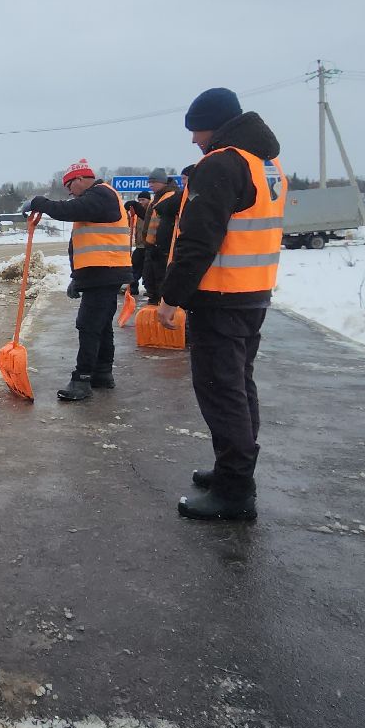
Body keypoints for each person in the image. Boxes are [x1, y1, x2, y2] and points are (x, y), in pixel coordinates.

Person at [154, 89, 284, 522]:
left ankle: (234, 491)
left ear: (216, 125)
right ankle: (232, 471)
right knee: (238, 386)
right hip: (252, 293)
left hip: (221, 297)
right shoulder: (264, 163)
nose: (194, 139)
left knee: (221, 392)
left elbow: (199, 239)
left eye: (197, 129)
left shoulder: (221, 164)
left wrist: (172, 297)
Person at [26, 160, 132, 400]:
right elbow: (83, 243)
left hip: (105, 270)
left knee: (88, 325)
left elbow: (66, 210)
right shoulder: (95, 200)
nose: (70, 193)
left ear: (81, 179)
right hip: (101, 272)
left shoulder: (101, 195)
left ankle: (81, 379)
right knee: (101, 325)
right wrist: (77, 277)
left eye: (69, 187)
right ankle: (102, 374)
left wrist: (39, 203)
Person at [140, 168, 182, 305]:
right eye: (149, 182)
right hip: (152, 246)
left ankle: (160, 303)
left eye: (153, 182)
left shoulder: (171, 196)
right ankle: (154, 301)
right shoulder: (157, 197)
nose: (150, 185)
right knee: (149, 277)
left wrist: (161, 244)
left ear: (162, 182)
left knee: (161, 279)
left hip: (162, 247)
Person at [127, 192, 153, 297]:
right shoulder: (137, 214)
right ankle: (133, 288)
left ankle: (150, 289)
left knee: (148, 270)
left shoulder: (151, 211)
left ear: (149, 200)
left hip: (148, 246)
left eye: (143, 200)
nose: (141, 202)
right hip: (139, 246)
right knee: (134, 268)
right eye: (139, 200)